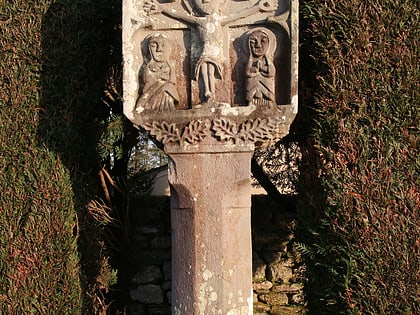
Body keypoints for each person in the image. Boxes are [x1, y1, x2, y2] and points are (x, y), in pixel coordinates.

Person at [144, 0, 277, 103]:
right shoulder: (199, 21)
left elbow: (238, 15)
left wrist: (258, 7)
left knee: (210, 69)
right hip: (204, 49)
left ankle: (211, 91)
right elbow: (180, 16)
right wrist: (162, 9)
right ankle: (207, 91)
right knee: (203, 67)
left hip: (215, 51)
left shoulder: (218, 20)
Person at [136, 33, 180, 112]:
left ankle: (168, 109)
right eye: (154, 46)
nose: (159, 49)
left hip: (167, 93)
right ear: (149, 50)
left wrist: (162, 77)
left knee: (168, 88)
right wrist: (161, 78)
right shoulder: (148, 67)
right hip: (152, 92)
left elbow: (173, 79)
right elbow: (147, 80)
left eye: (163, 46)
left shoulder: (169, 66)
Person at [246, 28, 276, 106]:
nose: (258, 45)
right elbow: (247, 73)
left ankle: (270, 101)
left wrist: (262, 68)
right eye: (253, 42)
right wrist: (255, 71)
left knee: (269, 102)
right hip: (253, 88)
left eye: (263, 41)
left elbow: (271, 73)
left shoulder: (267, 60)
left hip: (266, 87)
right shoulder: (250, 60)